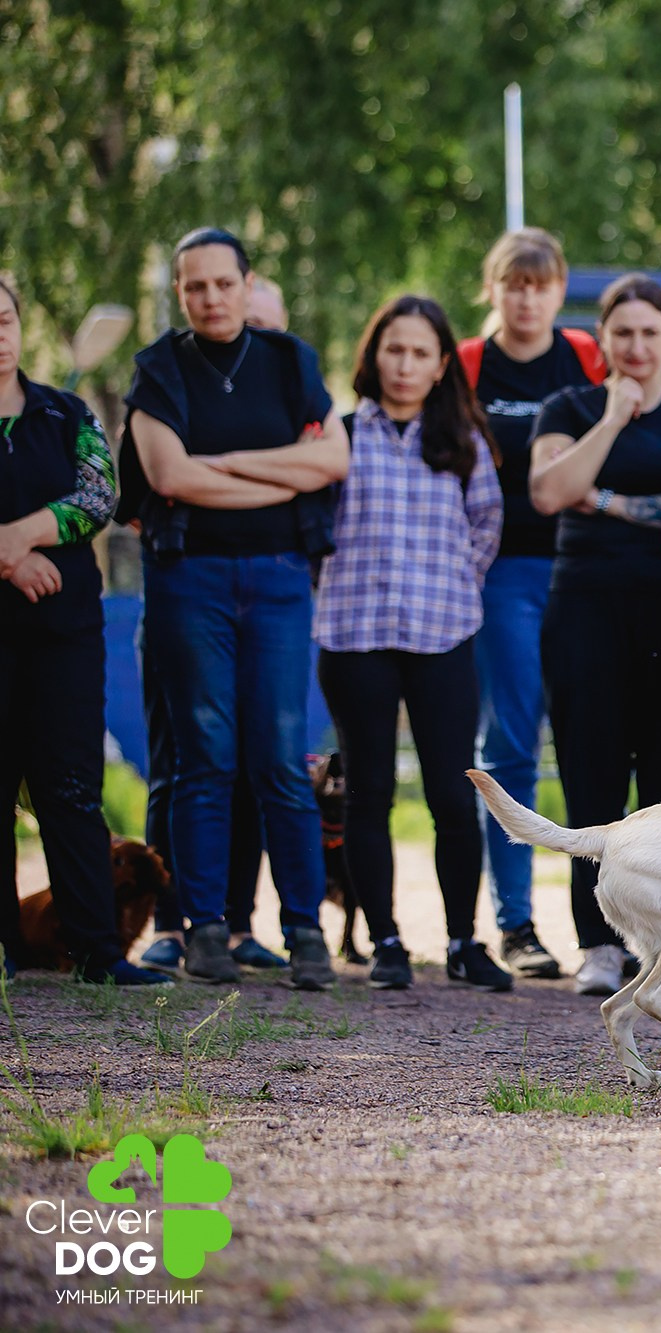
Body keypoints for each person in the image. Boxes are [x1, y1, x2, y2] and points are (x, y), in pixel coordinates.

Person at [122, 227, 348, 989]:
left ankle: (305, 930)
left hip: (281, 579)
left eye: (224, 283)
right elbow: (169, 477)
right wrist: (285, 477)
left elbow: (333, 459)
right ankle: (206, 928)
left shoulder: (291, 361)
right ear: (179, 293)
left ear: (249, 285)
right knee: (205, 758)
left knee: (282, 761)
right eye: (195, 286)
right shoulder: (158, 369)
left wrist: (228, 465)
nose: (212, 297)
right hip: (191, 579)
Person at [315, 295, 506, 991]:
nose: (405, 364)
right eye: (394, 349)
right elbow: (316, 522)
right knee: (368, 792)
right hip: (354, 633)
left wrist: (454, 581)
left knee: (453, 794)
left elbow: (486, 525)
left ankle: (463, 939)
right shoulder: (340, 433)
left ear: (441, 364)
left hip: (442, 631)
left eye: (421, 352)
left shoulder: (464, 441)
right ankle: (385, 939)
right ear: (373, 355)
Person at [534, 275, 661, 997]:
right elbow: (549, 491)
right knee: (593, 781)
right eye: (623, 333)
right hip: (586, 612)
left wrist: (602, 495)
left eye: (650, 332)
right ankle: (598, 946)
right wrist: (609, 422)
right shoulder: (568, 407)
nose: (637, 347)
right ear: (602, 340)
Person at [0, 276, 168, 986]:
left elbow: (98, 495)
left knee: (71, 791)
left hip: (63, 637)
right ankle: (8, 952)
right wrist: (9, 561)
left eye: (4, 317)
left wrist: (15, 540)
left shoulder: (66, 413)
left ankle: (98, 952)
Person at [138, 273, 295, 975]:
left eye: (265, 328)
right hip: (184, 601)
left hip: (264, 597)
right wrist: (269, 486)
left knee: (258, 769)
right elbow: (156, 487)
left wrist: (222, 479)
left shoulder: (286, 387)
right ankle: (172, 920)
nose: (247, 337)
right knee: (183, 765)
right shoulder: (170, 383)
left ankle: (235, 921)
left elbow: (319, 477)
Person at [462, 228, 607, 981]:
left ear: (558, 290)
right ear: (494, 289)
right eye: (513, 284)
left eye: (540, 284)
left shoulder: (585, 356)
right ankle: (516, 922)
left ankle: (611, 929)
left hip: (582, 564)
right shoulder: (467, 364)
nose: (526, 297)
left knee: (593, 746)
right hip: (502, 567)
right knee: (512, 739)